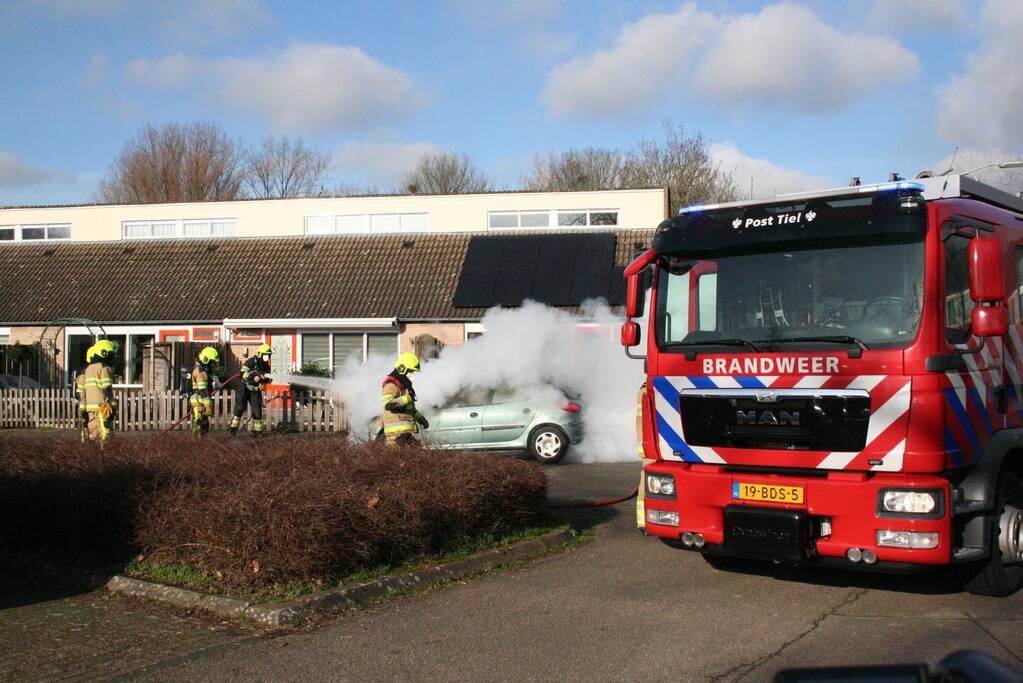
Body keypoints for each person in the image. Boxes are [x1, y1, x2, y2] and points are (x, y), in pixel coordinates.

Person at [380, 352, 429, 446]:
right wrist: (407, 397)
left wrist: (421, 419)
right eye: (410, 371)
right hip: (396, 437)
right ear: (402, 369)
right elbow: (388, 404)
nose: (412, 374)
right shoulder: (391, 384)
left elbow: (409, 409)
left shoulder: (403, 385)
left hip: (406, 434)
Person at [82, 339, 119, 446]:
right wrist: (112, 402)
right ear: (104, 353)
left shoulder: (88, 369)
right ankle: (105, 453)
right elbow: (106, 387)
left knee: (93, 432)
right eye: (111, 354)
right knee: (105, 432)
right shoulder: (104, 367)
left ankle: (92, 454)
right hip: (102, 406)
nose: (113, 357)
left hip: (90, 408)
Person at [230, 343, 272, 437]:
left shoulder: (266, 366)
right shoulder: (251, 361)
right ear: (260, 354)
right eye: (266, 355)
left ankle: (258, 432)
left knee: (257, 411)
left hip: (255, 390)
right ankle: (233, 431)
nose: (267, 358)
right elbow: (242, 374)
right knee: (239, 409)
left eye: (268, 355)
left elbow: (268, 379)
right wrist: (253, 376)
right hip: (244, 388)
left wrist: (264, 378)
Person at [189, 346, 220, 438]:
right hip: (198, 401)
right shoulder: (200, 371)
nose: (213, 365)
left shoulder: (205, 371)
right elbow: (203, 390)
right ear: (206, 360)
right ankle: (194, 443)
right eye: (212, 362)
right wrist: (208, 405)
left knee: (205, 424)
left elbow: (207, 387)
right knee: (199, 423)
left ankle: (202, 442)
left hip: (203, 399)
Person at [74, 344, 96, 442]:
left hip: (84, 404)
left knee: (84, 423)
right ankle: (89, 438)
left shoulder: (81, 377)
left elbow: (78, 392)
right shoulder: (88, 375)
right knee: (89, 422)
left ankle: (85, 439)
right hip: (89, 404)